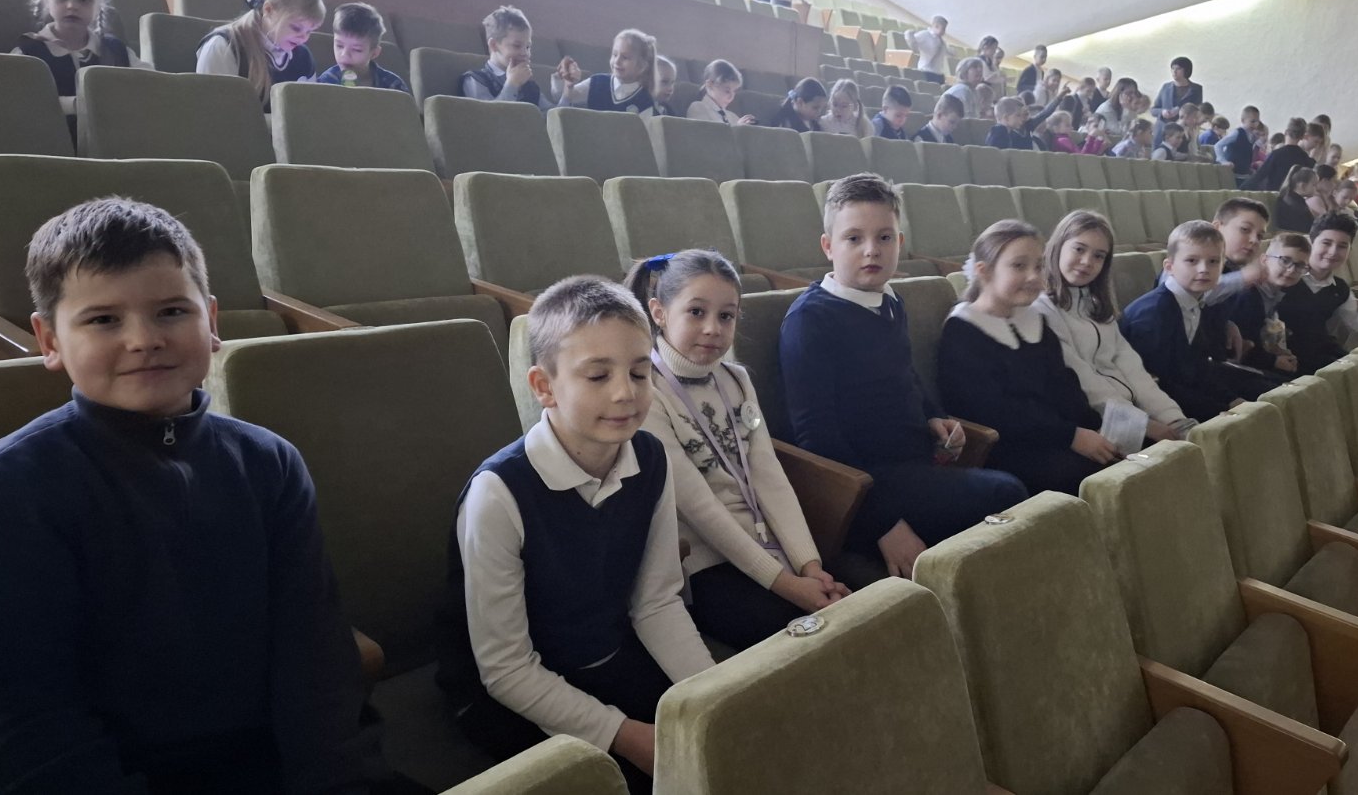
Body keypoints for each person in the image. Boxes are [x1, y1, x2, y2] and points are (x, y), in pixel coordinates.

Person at [0, 198, 381, 793]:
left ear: (212, 320)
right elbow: (30, 718)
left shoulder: (269, 462)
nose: (144, 340)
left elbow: (314, 653)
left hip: (274, 763)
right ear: (49, 340)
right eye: (103, 319)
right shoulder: (16, 484)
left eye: (172, 311)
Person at [437, 276, 715, 795]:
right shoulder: (498, 494)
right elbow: (506, 669)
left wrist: (714, 696)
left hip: (608, 654)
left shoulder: (650, 457)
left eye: (639, 372)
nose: (625, 393)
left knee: (717, 750)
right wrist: (627, 737)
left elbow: (656, 602)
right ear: (544, 386)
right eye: (597, 375)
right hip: (507, 691)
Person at [779, 174, 1026, 578]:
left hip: (913, 463)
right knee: (1006, 492)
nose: (871, 250)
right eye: (853, 238)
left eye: (884, 237)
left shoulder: (890, 299)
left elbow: (905, 373)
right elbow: (817, 438)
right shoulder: (810, 320)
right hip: (863, 484)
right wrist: (885, 525)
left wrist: (934, 416)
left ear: (900, 242)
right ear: (828, 246)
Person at [626, 250, 847, 649]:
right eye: (696, 312)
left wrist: (808, 565)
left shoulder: (737, 380)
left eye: (726, 316)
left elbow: (769, 477)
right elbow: (698, 508)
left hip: (769, 545)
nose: (713, 328)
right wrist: (788, 585)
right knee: (805, 638)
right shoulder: (648, 391)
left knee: (859, 606)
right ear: (659, 312)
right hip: (704, 561)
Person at [937, 220, 1117, 495]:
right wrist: (1071, 436)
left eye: (1039, 266)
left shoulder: (1035, 321)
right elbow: (994, 411)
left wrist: (1097, 429)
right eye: (1019, 266)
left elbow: (1065, 387)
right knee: (1081, 475)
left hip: (1057, 436)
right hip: (1005, 447)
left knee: (1127, 456)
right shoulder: (963, 330)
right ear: (984, 271)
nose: (1034, 276)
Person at [1035, 211, 1198, 441]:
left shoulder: (1096, 306)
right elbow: (1084, 381)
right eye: (1079, 249)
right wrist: (1143, 425)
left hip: (1128, 412)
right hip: (1089, 421)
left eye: (1098, 256)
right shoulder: (1041, 309)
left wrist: (1174, 419)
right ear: (1058, 247)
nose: (1087, 261)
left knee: (1196, 438)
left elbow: (1132, 368)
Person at [1120, 221, 1274, 421]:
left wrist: (1232, 400)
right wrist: (1224, 410)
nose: (1203, 269)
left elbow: (1197, 368)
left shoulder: (1195, 302)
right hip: (1148, 405)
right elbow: (1160, 383)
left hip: (1181, 392)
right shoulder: (1153, 314)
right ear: (1169, 267)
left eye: (1213, 261)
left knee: (1269, 398)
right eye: (1192, 260)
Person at [14, 0, 148, 124]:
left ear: (98, 6)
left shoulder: (116, 49)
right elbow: (18, 100)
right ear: (46, 1)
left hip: (112, 135)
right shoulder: (29, 51)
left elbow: (150, 84)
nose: (72, 6)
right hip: (49, 137)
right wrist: (76, 104)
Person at [1275, 213, 1358, 373]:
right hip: (1284, 358)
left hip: (1320, 353)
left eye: (1342, 246)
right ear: (1311, 243)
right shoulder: (1285, 275)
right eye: (1326, 243)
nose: (1333, 251)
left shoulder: (1340, 289)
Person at [195, 0, 324, 110]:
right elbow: (215, 114)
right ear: (268, 10)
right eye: (296, 28)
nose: (304, 38)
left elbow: (308, 112)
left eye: (309, 31)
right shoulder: (224, 47)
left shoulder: (303, 57)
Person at [1229, 233, 1312, 379]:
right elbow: (1244, 349)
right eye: (1285, 260)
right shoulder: (1249, 296)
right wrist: (1274, 361)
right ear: (1264, 260)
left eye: (1299, 265)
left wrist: (1279, 353)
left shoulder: (1285, 291)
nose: (1291, 269)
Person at [460, 5, 554, 109]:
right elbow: (488, 116)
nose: (525, 53)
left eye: (528, 47)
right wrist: (512, 84)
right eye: (517, 46)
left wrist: (566, 94)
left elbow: (552, 116)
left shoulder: (530, 86)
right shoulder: (475, 80)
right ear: (494, 45)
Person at [554, 28, 658, 116]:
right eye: (615, 55)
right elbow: (563, 98)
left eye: (625, 57)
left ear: (642, 66)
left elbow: (641, 133)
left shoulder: (644, 101)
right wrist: (568, 84)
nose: (617, 61)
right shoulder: (597, 82)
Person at [314, 3, 410, 93]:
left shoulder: (392, 84)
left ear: (374, 53)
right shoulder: (327, 81)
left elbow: (405, 104)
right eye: (339, 46)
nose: (344, 54)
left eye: (357, 50)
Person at [1241, 116, 1317, 190]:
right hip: (1293, 196)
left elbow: (1260, 175)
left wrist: (1241, 188)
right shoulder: (1304, 157)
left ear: (1286, 132)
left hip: (1274, 195)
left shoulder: (1276, 154)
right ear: (1302, 137)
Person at [687, 58, 755, 125]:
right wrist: (737, 129)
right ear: (710, 85)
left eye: (734, 91)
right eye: (727, 91)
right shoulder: (698, 107)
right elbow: (703, 131)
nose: (731, 96)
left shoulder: (733, 116)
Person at [1151, 56, 1203, 141]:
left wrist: (1179, 111)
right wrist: (1163, 112)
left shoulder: (1196, 89)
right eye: (1172, 68)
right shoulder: (1165, 87)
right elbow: (1153, 110)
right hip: (1163, 131)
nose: (1174, 72)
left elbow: (1197, 111)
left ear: (1186, 70)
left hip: (1183, 133)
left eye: (1178, 69)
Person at [1272, 165, 1321, 234]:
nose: (1317, 188)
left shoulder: (1288, 198)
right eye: (1314, 185)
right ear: (1303, 186)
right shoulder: (1296, 206)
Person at [908, 15, 951, 83]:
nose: (943, 31)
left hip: (938, 73)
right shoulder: (925, 35)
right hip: (926, 70)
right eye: (942, 28)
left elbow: (946, 52)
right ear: (935, 26)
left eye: (944, 29)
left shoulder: (942, 42)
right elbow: (913, 42)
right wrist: (910, 36)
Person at [943, 57, 986, 121]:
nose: (980, 70)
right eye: (975, 67)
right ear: (964, 71)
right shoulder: (962, 90)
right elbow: (968, 120)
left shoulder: (973, 91)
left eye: (981, 67)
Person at [1214, 116, 1254, 184]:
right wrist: (1223, 161)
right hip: (1233, 174)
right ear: (1243, 120)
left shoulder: (1251, 136)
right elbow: (1218, 145)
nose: (1255, 124)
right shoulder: (1237, 132)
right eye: (1252, 121)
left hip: (1244, 175)